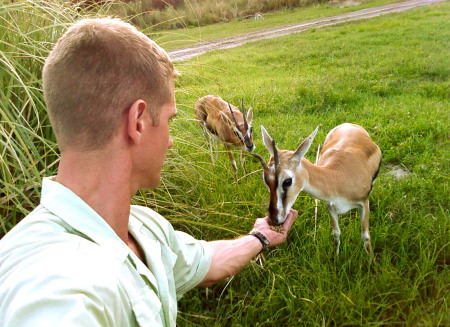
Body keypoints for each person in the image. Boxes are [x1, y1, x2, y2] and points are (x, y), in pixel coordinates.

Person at [0, 18, 297, 326]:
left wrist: (260, 237)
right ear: (138, 123)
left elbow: (205, 262)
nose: (169, 141)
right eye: (168, 119)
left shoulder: (140, 227)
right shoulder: (60, 294)